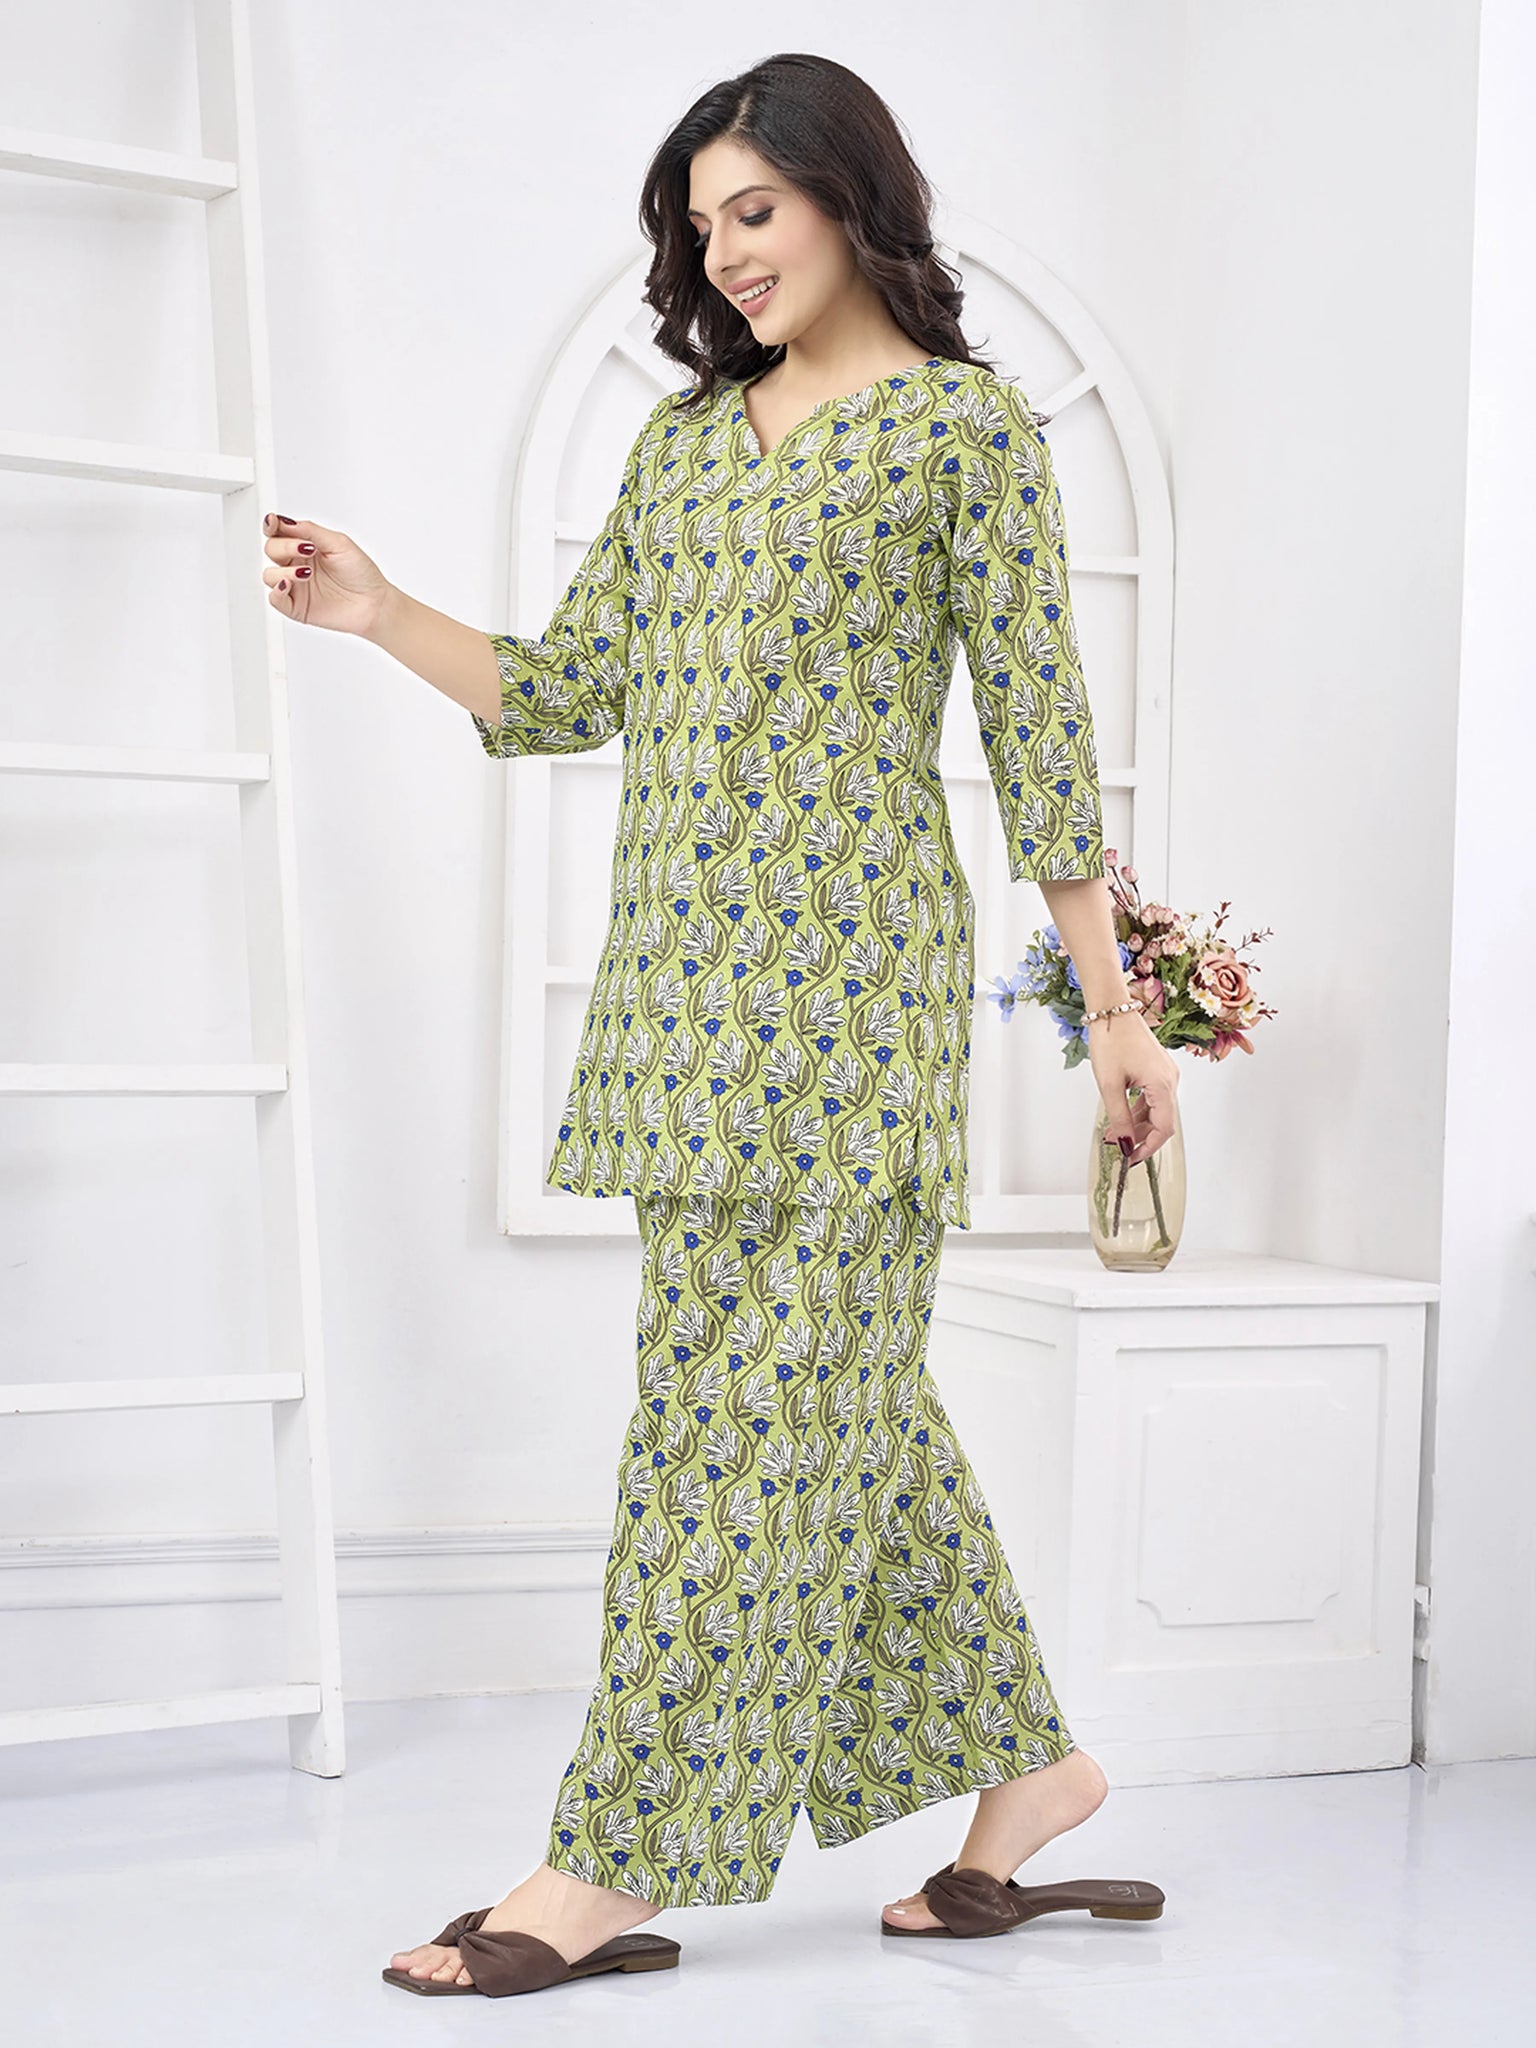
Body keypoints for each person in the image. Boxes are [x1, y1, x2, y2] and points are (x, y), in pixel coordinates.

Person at [263, 49, 1178, 2002]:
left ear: (850, 196)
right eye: (702, 226)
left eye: (754, 209)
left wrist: (1112, 1011)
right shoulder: (684, 449)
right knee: (822, 1411)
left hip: (849, 1016)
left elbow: (1041, 735)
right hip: (681, 1020)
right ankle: (1035, 1774)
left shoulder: (962, 435)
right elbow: (565, 689)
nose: (728, 252)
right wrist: (379, 610)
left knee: (725, 1441)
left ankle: (610, 1860)